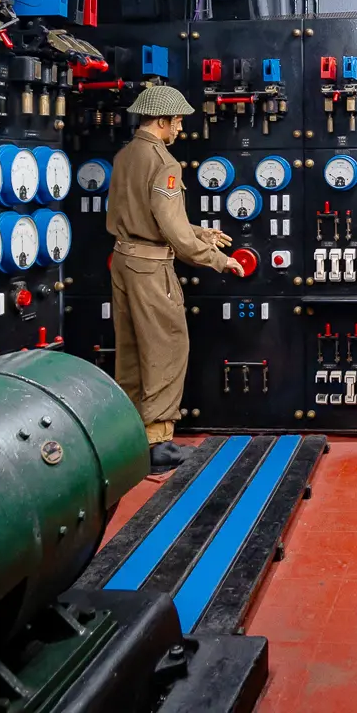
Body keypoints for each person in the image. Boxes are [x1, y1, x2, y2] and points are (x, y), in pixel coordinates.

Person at [107, 84, 243, 471]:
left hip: (123, 263)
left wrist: (200, 231)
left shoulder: (126, 156)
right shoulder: (163, 162)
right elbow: (171, 232)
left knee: (132, 350)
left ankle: (133, 435)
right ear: (162, 120)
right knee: (167, 347)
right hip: (151, 270)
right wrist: (217, 259)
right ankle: (159, 444)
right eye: (178, 121)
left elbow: (144, 217)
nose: (180, 128)